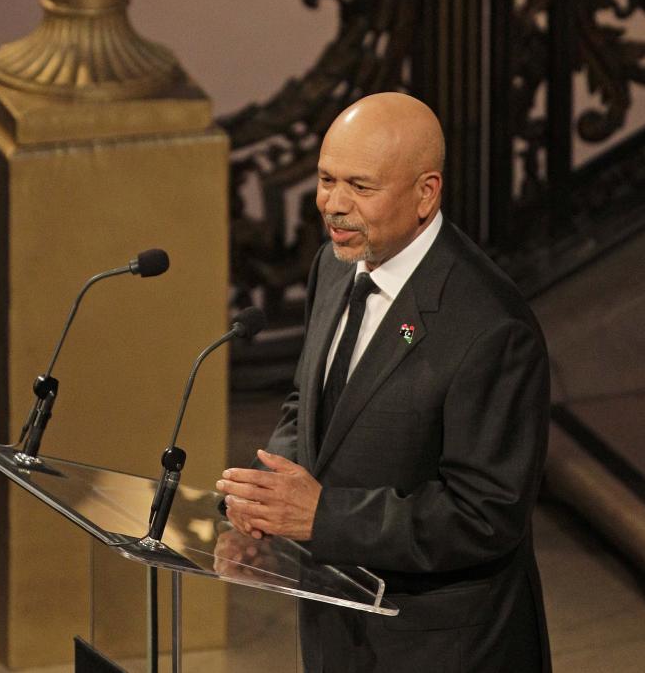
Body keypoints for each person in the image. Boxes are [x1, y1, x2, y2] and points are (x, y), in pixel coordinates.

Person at [216, 92, 551, 673]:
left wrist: (322, 518)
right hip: (336, 628)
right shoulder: (334, 264)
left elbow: (485, 516)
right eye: (325, 179)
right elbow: (311, 405)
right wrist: (266, 505)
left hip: (440, 647)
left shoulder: (493, 328)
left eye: (360, 187)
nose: (333, 205)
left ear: (426, 193)